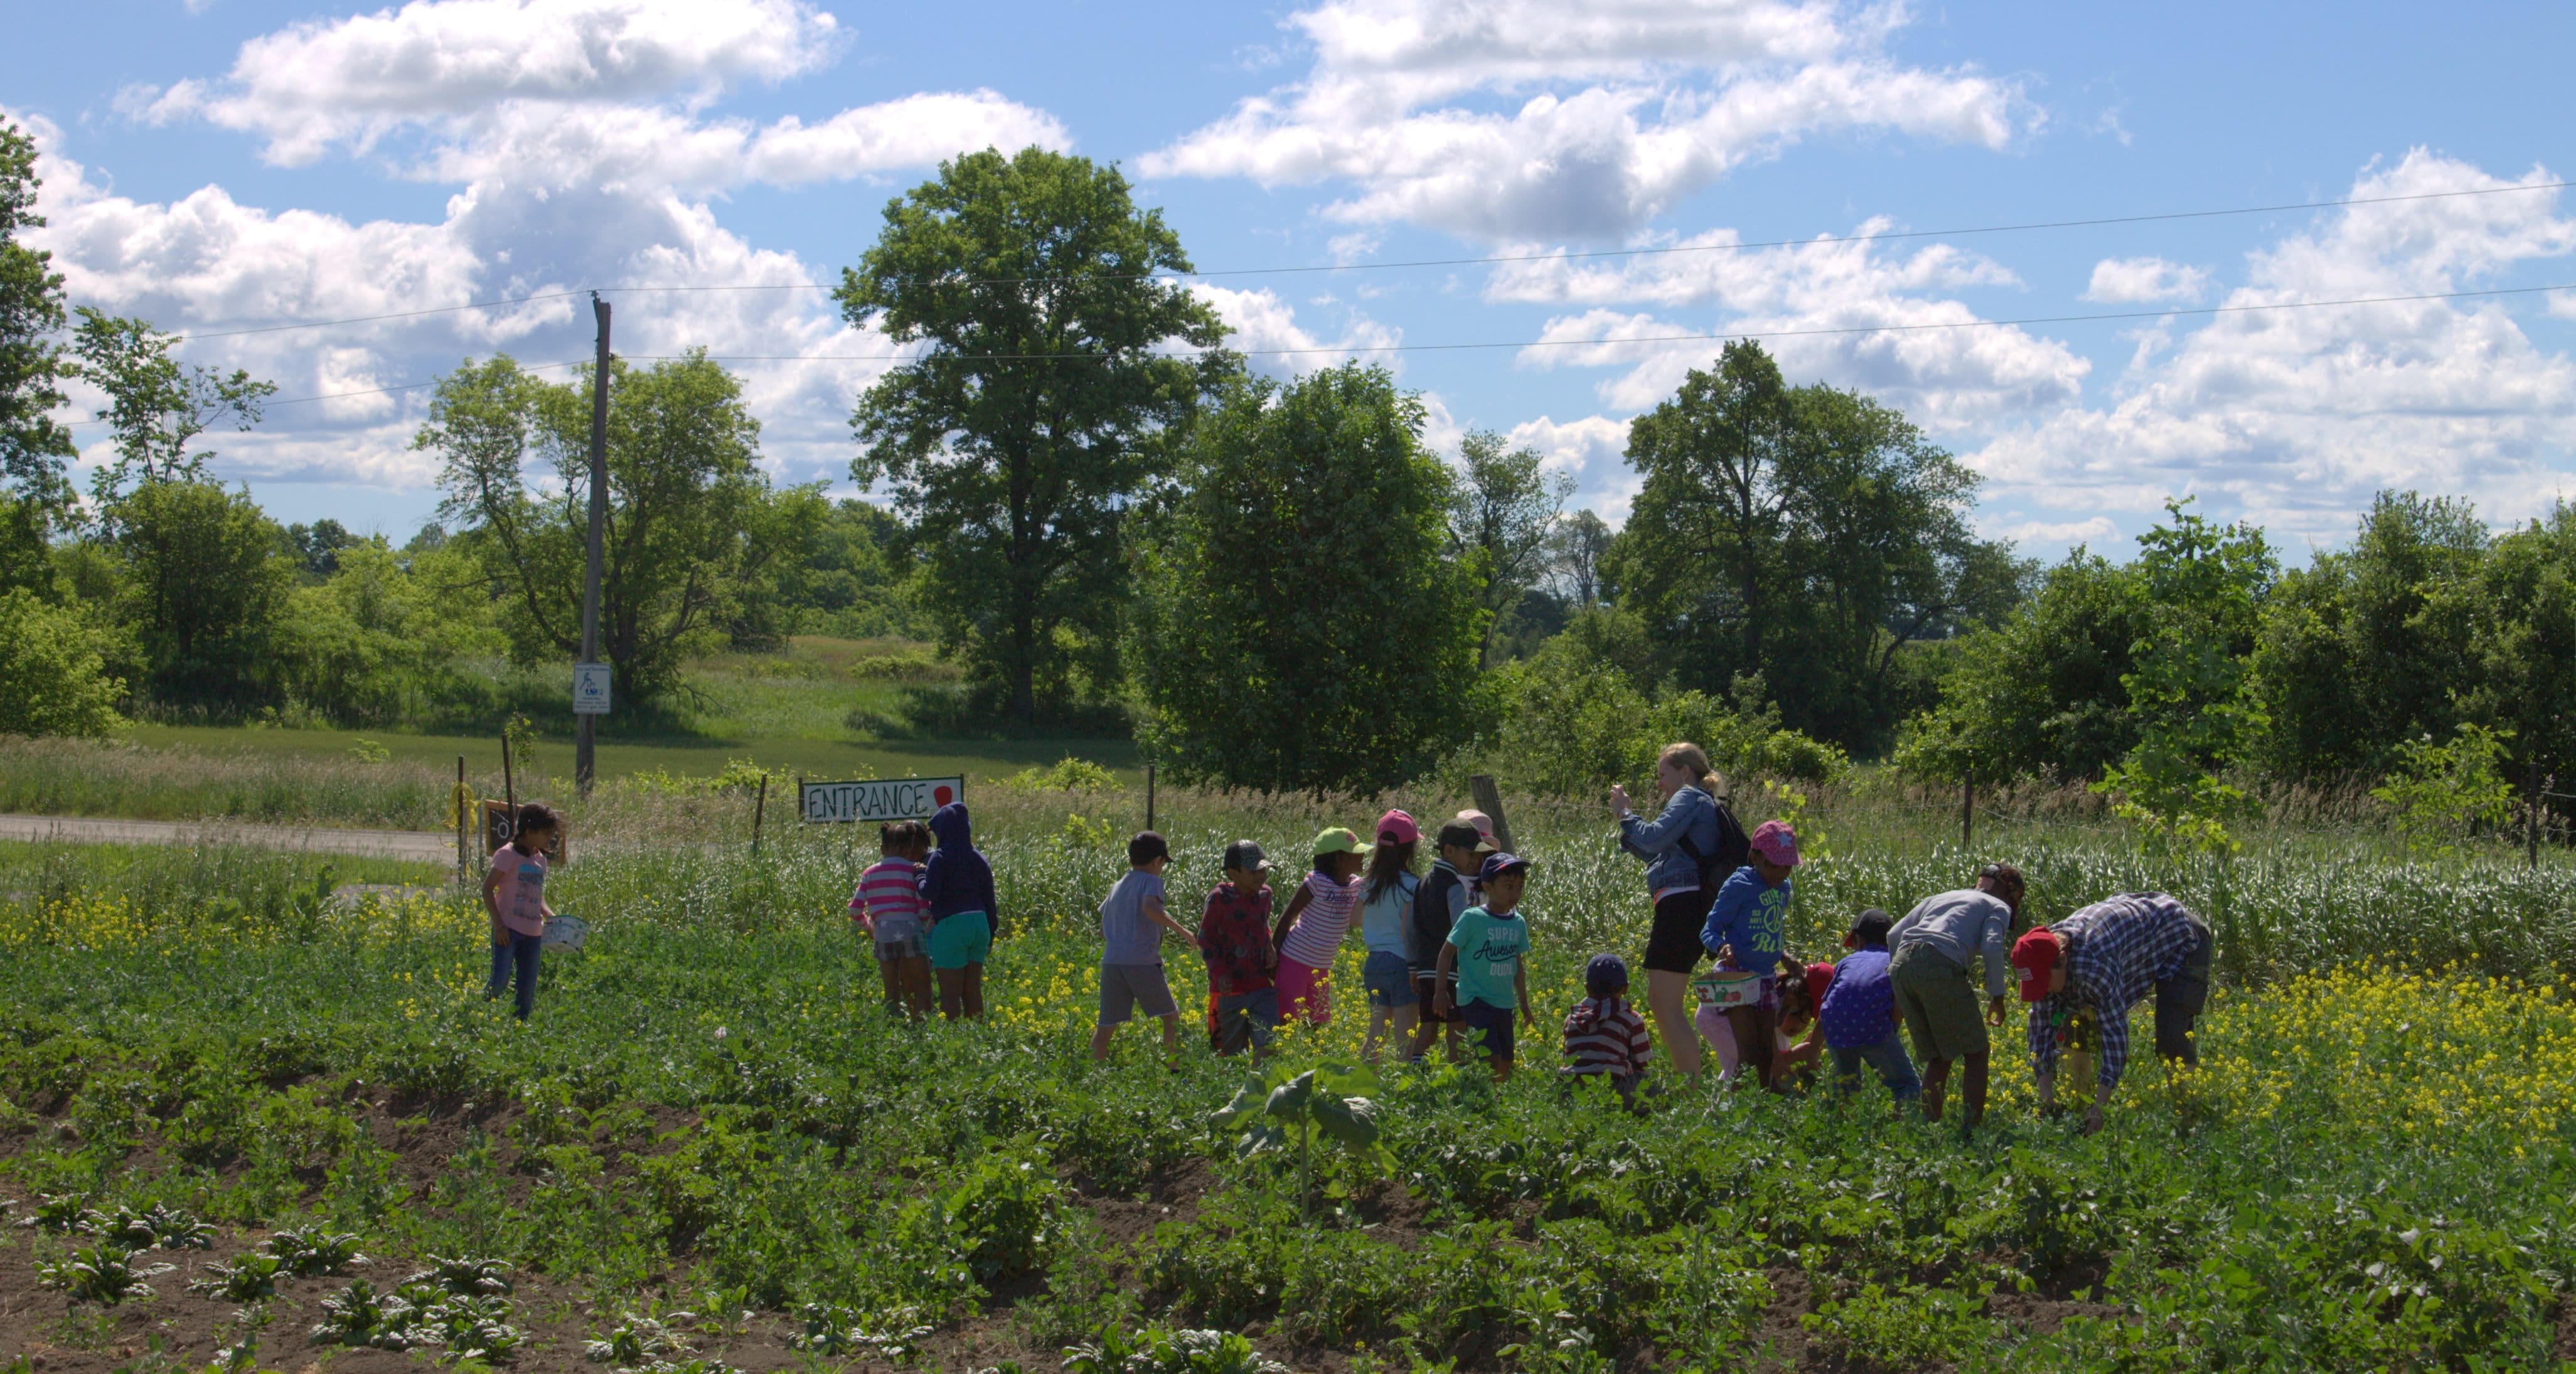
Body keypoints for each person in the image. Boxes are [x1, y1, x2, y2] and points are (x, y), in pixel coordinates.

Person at [2013, 892, 2213, 1135]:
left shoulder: (2095, 966)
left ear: (2063, 960)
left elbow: (2115, 1035)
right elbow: (2040, 1031)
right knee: (2075, 1027)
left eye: (2044, 982)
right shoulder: (2041, 957)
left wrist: (2101, 1108)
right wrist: (2046, 1098)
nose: (2043, 990)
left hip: (2180, 936)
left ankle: (2190, 1121)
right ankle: (2077, 1111)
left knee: (2172, 1034)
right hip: (2131, 941)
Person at [1609, 742, 1746, 1080]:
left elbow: (1654, 839)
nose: (1659, 784)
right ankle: (1698, 1080)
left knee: (1664, 1003)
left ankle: (1690, 1088)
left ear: (1685, 772)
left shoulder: (1689, 797)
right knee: (1663, 1001)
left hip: (1682, 906)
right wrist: (1629, 832)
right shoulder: (1704, 804)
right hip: (1692, 905)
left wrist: (1627, 814)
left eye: (1662, 775)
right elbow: (1661, 855)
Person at [1887, 862, 2022, 1131]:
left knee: (1939, 1055)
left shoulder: (1941, 897)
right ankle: (1971, 1132)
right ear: (2010, 892)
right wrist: (1997, 996)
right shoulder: (1998, 906)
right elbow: (1993, 945)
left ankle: (1928, 1129)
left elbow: (1893, 935)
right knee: (1977, 1051)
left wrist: (1900, 985)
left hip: (1901, 964)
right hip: (1940, 963)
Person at [1699, 819, 1798, 1089]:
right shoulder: (1740, 885)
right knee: (1750, 1054)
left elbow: (1769, 931)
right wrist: (1721, 947)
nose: (1780, 873)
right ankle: (1736, 1114)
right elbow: (1710, 928)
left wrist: (1784, 956)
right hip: (1737, 974)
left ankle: (1760, 1112)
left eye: (1787, 866)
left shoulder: (1783, 890)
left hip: (1765, 977)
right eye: (1773, 865)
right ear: (1755, 857)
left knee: (1768, 1053)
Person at [1091, 831, 1195, 1063]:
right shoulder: (1152, 881)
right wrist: (1184, 932)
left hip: (1111, 962)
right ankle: (1175, 1071)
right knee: (1171, 1017)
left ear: (1130, 859)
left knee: (1105, 1026)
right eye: (1163, 864)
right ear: (1158, 861)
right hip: (1141, 962)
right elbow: (1150, 908)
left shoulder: (1117, 885)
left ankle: (1091, 1073)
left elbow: (1102, 930)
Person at [1435, 852, 1536, 1082]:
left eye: (1520, 887)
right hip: (1476, 999)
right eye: (1508, 886)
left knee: (1507, 1060)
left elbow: (1517, 967)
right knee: (1490, 1056)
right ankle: (1488, 1099)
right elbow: (1446, 952)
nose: (1515, 893)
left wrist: (1524, 1004)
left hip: (1504, 1001)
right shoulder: (1472, 918)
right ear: (1487, 887)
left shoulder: (1518, 923)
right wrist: (1440, 992)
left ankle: (1493, 1097)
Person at [1818, 910, 1921, 1109]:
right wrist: (1892, 1030)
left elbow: (1829, 1002)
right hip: (1872, 1026)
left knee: (1846, 1088)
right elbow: (1899, 1002)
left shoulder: (1845, 962)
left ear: (1859, 939)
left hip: (1836, 1027)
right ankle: (1903, 1135)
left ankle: (1842, 1131)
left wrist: (1814, 1047)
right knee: (1906, 1085)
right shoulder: (1895, 959)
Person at [1272, 827, 1370, 1026]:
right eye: (1356, 852)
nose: (1363, 855)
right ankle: (1282, 1058)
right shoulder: (1317, 882)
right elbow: (1288, 916)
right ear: (1339, 859)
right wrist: (1273, 958)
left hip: (1322, 967)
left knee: (1318, 1023)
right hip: (1295, 960)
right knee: (1288, 1022)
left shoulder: (1357, 885)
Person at [1406, 820, 1482, 1062]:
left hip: (1425, 969)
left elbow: (1410, 928)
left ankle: (1416, 1076)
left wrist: (1413, 966)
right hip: (1450, 971)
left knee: (1428, 1028)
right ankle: (1455, 1079)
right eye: (1470, 853)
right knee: (1456, 1029)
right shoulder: (1454, 887)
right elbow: (1461, 929)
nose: (1474, 860)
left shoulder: (1422, 882)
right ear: (1449, 850)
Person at [1200, 839, 1281, 1061]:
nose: (1261, 875)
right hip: (1228, 990)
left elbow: (1262, 925)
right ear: (1233, 873)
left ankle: (1257, 1089)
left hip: (1260, 985)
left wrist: (1268, 945)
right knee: (1229, 1054)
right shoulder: (1218, 899)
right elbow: (1205, 939)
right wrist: (1219, 973)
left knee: (1269, 1041)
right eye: (1254, 870)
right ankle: (1233, 1093)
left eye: (1264, 869)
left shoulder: (1265, 896)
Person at [919, 801, 998, 1020]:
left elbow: (930, 893)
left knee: (950, 992)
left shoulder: (940, 857)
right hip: (980, 924)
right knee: (972, 989)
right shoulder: (979, 858)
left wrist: (920, 877)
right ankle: (976, 1035)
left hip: (952, 925)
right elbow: (990, 901)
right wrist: (991, 935)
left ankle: (953, 1043)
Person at [481, 802, 559, 1020]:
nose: (549, 838)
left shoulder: (540, 859)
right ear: (529, 830)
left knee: (526, 990)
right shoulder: (507, 855)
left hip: (533, 934)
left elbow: (537, 893)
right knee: (499, 981)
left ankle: (517, 1032)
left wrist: (549, 914)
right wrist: (498, 925)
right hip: (508, 930)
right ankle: (474, 1015)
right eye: (545, 833)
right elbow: (487, 889)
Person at [850, 820, 936, 1020]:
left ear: (882, 848)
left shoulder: (869, 874)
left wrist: (869, 926)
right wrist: (924, 924)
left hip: (883, 933)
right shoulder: (914, 870)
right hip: (911, 930)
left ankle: (892, 1030)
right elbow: (923, 908)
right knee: (921, 985)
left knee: (891, 991)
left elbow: (855, 909)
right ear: (909, 848)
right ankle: (923, 1026)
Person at [1357, 810, 1423, 1062]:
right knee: (1405, 1037)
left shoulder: (1369, 882)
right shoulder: (1412, 885)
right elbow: (1408, 932)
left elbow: (1355, 919)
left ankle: (1361, 1084)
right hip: (1401, 964)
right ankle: (1401, 1092)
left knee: (1376, 1034)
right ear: (1410, 849)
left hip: (1374, 963)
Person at [1562, 952, 1653, 1110]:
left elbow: (1568, 1056)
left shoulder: (1572, 1019)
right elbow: (1645, 1063)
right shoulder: (1631, 1019)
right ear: (1625, 988)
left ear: (1587, 988)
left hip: (1572, 1090)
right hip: (1612, 1090)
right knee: (1653, 1089)